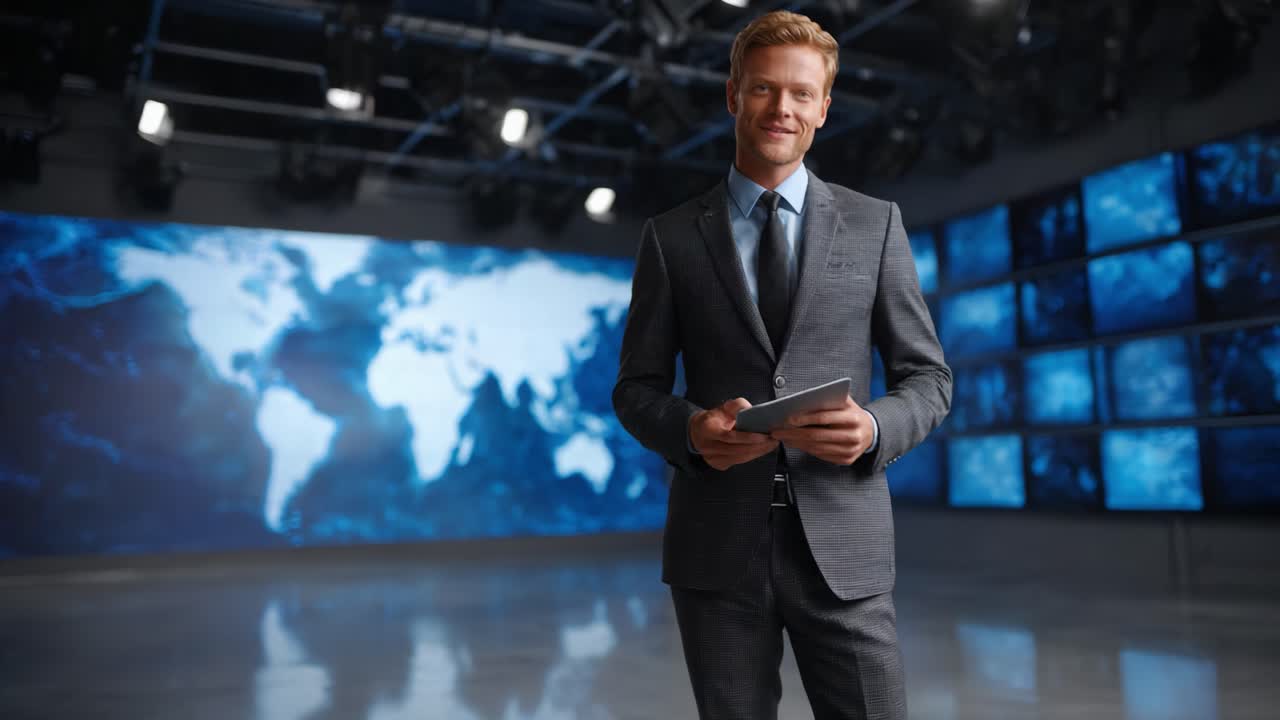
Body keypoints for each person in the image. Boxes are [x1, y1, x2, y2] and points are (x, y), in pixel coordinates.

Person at [612, 10, 952, 720]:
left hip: (845, 544)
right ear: (733, 94)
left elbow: (928, 380)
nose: (782, 109)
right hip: (717, 550)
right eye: (764, 90)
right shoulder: (670, 238)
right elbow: (636, 389)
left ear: (824, 108)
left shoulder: (875, 224)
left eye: (801, 94)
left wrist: (875, 429)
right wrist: (691, 431)